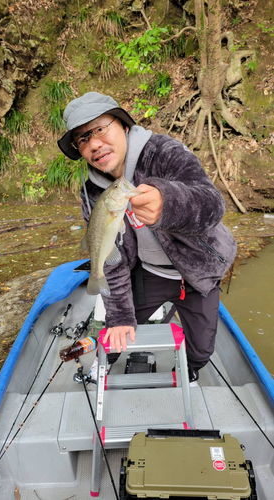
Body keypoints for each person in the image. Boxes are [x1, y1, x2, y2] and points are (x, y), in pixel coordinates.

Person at [58, 91, 237, 386]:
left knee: (203, 350)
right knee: (116, 332)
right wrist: (119, 316)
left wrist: (169, 204)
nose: (94, 144)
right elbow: (109, 256)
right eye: (83, 139)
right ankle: (102, 364)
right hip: (149, 272)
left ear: (124, 125)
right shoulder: (92, 192)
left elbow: (212, 204)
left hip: (198, 271)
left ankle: (190, 369)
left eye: (100, 129)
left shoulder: (163, 152)